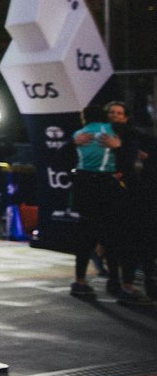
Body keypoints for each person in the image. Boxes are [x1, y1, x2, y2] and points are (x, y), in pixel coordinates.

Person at [69, 104, 128, 299]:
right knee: (112, 237)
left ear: (84, 118)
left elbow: (63, 155)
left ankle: (80, 280)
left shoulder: (78, 134)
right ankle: (114, 281)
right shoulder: (111, 131)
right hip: (106, 186)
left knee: (85, 236)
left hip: (84, 187)